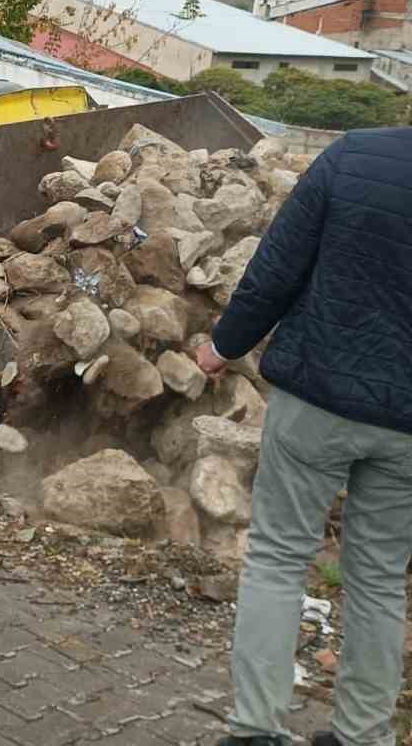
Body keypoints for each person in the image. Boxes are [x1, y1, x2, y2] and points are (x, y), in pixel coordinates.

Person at [198, 130, 412, 746]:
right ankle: (363, 736)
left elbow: (276, 268)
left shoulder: (353, 156)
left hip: (317, 394)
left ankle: (256, 728)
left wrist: (223, 347)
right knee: (378, 577)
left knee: (277, 556)